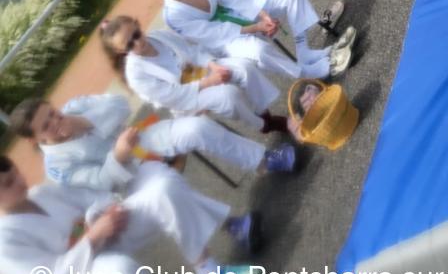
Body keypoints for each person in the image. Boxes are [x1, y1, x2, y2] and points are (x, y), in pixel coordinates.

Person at [0, 153, 249, 274]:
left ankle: (208, 272)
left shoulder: (42, 194)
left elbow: (90, 200)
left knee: (162, 193)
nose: (20, 182)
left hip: (104, 235)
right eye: (9, 184)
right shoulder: (6, 242)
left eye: (16, 174)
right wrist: (92, 238)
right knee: (118, 272)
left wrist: (104, 213)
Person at [141, 0, 356, 81]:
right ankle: (305, 72)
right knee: (258, 50)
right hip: (225, 42)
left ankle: (303, 51)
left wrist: (262, 12)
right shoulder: (174, 17)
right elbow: (212, 34)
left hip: (242, 13)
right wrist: (256, 27)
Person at [9, 91, 297, 182]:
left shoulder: (74, 109)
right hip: (125, 180)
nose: (56, 121)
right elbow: (99, 183)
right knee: (165, 189)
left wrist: (84, 121)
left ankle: (262, 160)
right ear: (34, 140)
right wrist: (118, 155)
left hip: (141, 140)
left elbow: (120, 104)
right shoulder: (57, 167)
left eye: (53, 113)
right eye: (46, 126)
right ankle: (227, 233)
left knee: (196, 127)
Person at [100, 15, 292, 136]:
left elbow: (193, 51)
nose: (137, 43)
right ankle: (263, 125)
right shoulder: (135, 74)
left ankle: (264, 113)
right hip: (187, 97)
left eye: (136, 34)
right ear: (121, 51)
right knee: (228, 95)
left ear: (138, 24)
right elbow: (171, 96)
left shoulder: (158, 36)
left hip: (202, 72)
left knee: (244, 68)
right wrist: (209, 82)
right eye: (129, 45)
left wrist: (213, 65)